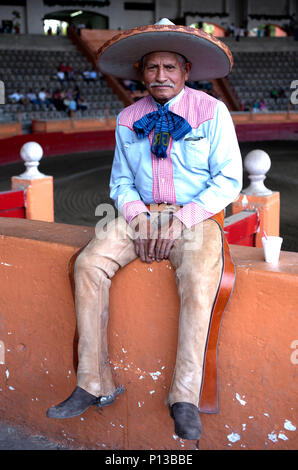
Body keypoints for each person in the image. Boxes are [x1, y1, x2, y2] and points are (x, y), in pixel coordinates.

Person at [46, 18, 242, 441]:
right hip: (140, 213)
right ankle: (92, 382)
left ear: (186, 72)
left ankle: (184, 397)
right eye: (152, 68)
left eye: (170, 67)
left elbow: (228, 180)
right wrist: (136, 217)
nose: (161, 76)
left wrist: (181, 220)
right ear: (141, 74)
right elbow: (120, 181)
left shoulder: (213, 113)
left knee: (198, 276)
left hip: (196, 215)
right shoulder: (127, 118)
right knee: (88, 263)